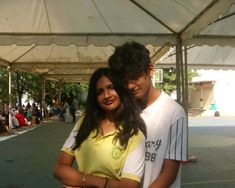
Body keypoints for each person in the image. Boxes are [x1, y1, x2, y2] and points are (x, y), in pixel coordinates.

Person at [109, 41, 188, 188]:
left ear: (150, 70)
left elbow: (170, 172)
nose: (130, 86)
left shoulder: (174, 113)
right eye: (125, 81)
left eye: (134, 77)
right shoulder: (123, 110)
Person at [53, 67, 146, 188]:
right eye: (100, 92)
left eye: (111, 88)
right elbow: (60, 168)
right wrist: (95, 181)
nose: (106, 95)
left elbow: (129, 186)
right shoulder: (84, 123)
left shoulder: (134, 134)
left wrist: (80, 181)